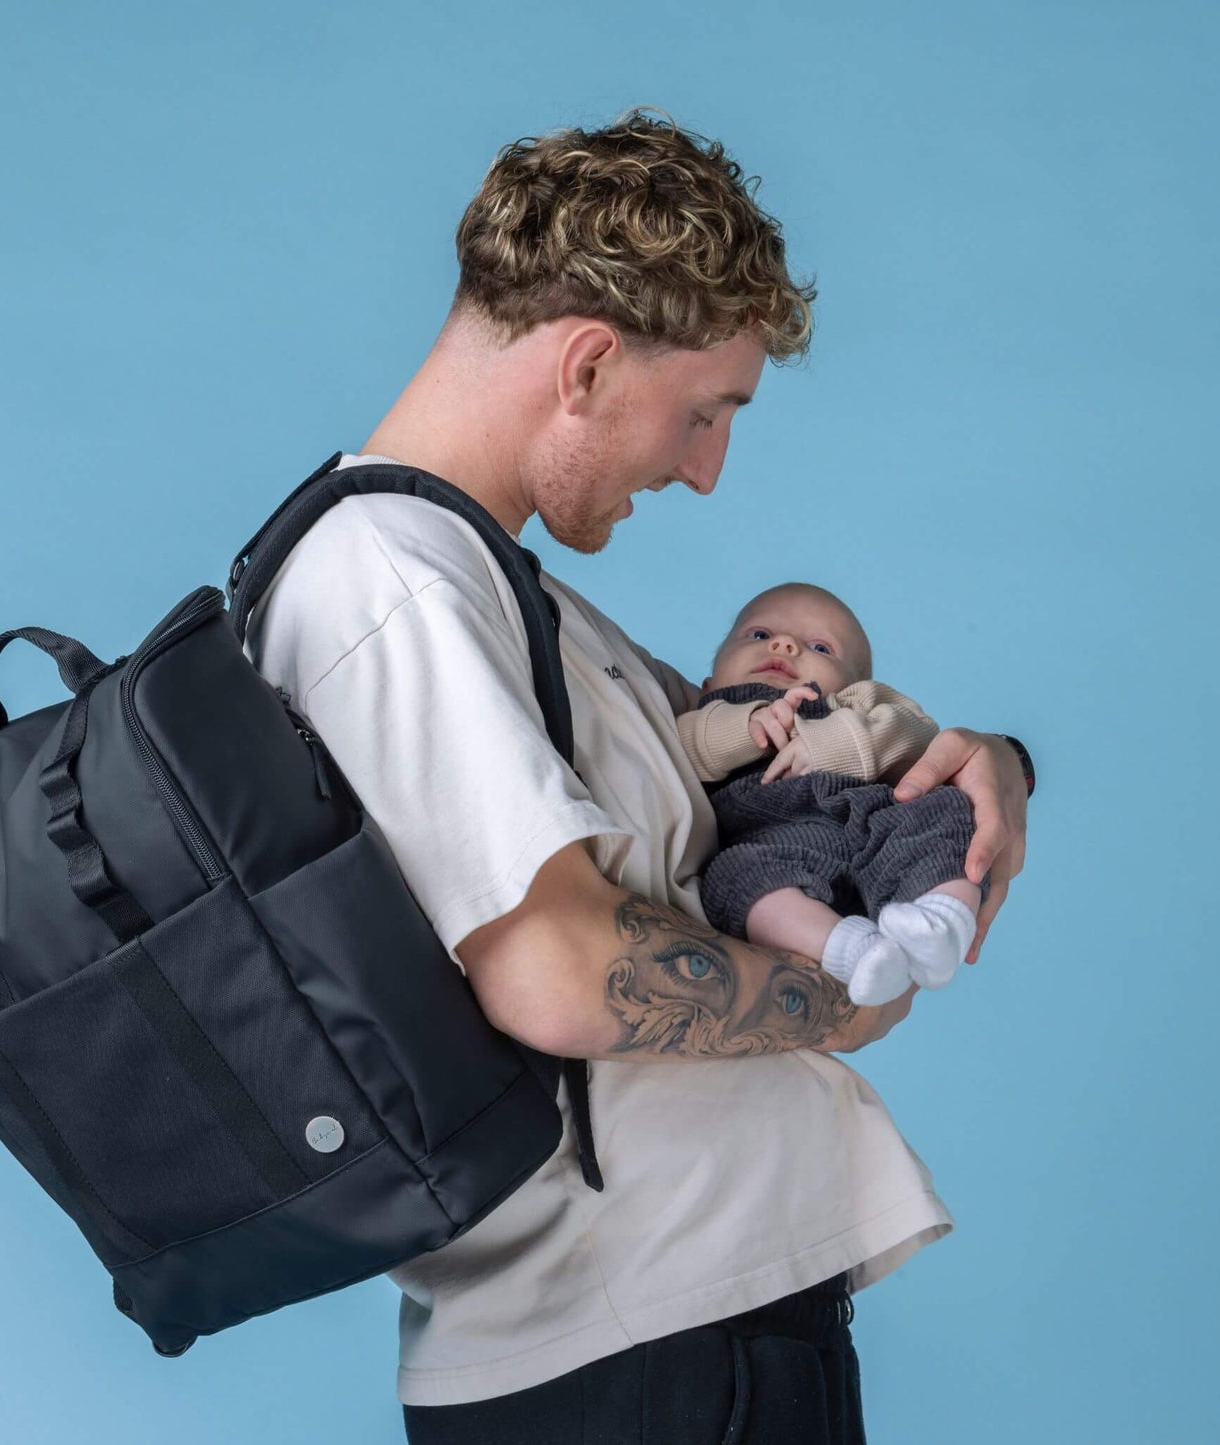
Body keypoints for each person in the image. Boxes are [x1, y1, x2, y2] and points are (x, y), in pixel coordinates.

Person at [244, 108, 1029, 1444]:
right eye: (704, 411)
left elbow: (790, 756)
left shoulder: (496, 583)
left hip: (687, 1329)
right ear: (591, 362)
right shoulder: (396, 586)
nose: (707, 472)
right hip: (632, 1358)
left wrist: (998, 765)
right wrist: (835, 1006)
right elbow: (552, 971)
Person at [678, 581, 986, 1008]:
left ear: (854, 683)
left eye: (821, 648)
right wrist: (746, 727)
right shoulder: (710, 711)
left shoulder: (856, 704)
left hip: (874, 821)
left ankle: (941, 921)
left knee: (948, 807)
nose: (784, 645)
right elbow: (686, 749)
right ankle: (854, 951)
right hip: (775, 843)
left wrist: (837, 739)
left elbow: (917, 734)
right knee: (731, 878)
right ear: (708, 686)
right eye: (759, 635)